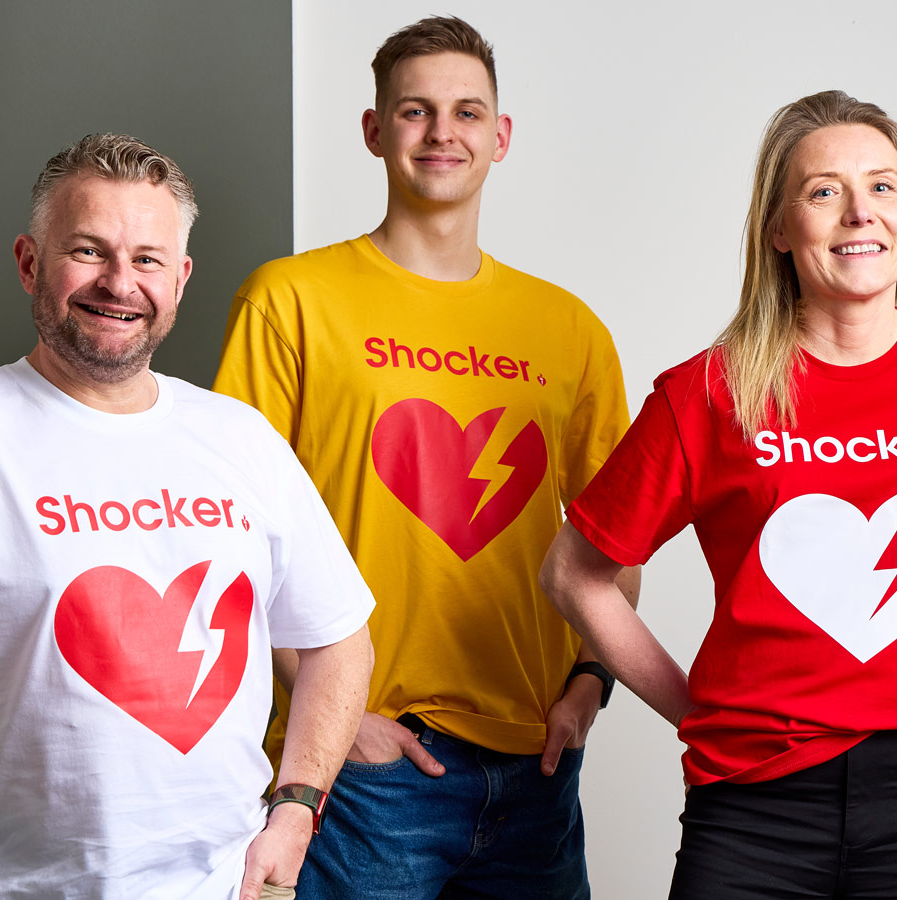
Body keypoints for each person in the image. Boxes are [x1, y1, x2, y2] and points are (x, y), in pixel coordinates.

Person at [541, 90, 897, 900]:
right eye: (824, 191)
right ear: (779, 227)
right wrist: (696, 710)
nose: (860, 211)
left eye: (883, 186)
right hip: (752, 805)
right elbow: (573, 573)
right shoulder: (708, 393)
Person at [0, 133, 375, 900]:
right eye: (88, 250)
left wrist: (298, 806)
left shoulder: (241, 439)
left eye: (147, 259)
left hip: (229, 888)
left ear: (180, 279)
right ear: (29, 263)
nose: (120, 282)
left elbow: (339, 640)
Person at [213, 15, 635, 899]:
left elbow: (614, 542)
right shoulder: (289, 300)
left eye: (467, 112)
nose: (443, 131)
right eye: (415, 110)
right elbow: (231, 536)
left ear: (500, 136)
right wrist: (341, 722)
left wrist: (591, 683)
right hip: (362, 770)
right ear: (375, 130)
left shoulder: (570, 329)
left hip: (537, 765)